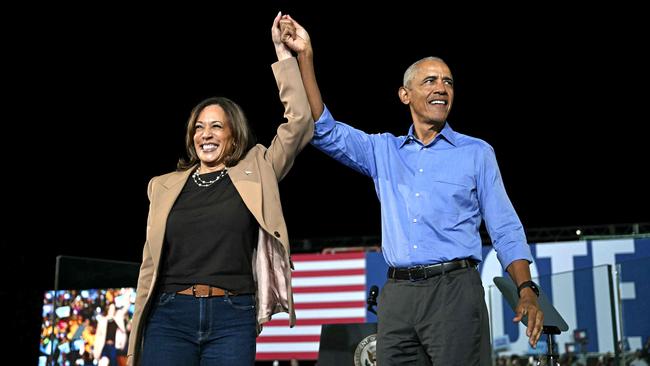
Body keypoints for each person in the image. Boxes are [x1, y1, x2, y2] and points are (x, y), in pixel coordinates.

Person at [279, 16, 543, 365]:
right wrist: (305, 56)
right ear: (405, 95)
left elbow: (505, 228)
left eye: (448, 82)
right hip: (398, 296)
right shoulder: (382, 151)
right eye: (430, 80)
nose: (441, 88)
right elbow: (324, 129)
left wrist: (527, 289)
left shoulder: (476, 152)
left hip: (455, 291)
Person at [126, 13, 313, 366]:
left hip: (232, 315)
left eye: (216, 126)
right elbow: (148, 266)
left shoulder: (258, 170)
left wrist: (283, 54)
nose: (206, 134)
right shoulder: (162, 187)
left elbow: (301, 122)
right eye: (199, 127)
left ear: (233, 134)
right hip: (169, 315)